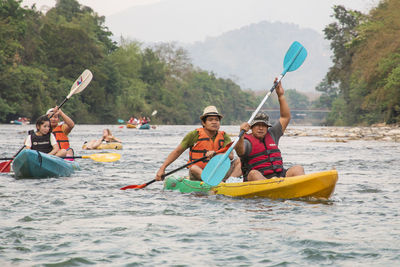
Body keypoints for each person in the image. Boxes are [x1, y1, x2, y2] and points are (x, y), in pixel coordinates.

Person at [235, 78, 305, 181]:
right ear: (251, 127)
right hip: (259, 178)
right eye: (257, 125)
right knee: (253, 174)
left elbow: (285, 117)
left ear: (267, 127)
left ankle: (300, 188)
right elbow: (240, 151)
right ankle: (271, 191)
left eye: (263, 125)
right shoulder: (246, 141)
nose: (260, 128)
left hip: (279, 176)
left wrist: (280, 95)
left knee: (298, 169)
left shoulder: (272, 134)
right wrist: (240, 135)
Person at [155, 106, 241, 181]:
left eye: (217, 120)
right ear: (203, 123)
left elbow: (231, 156)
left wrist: (215, 154)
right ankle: (211, 181)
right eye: (210, 120)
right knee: (193, 168)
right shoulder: (194, 135)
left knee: (239, 161)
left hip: (217, 172)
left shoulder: (224, 136)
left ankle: (230, 181)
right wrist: (162, 168)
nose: (214, 122)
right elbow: (177, 152)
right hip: (199, 172)